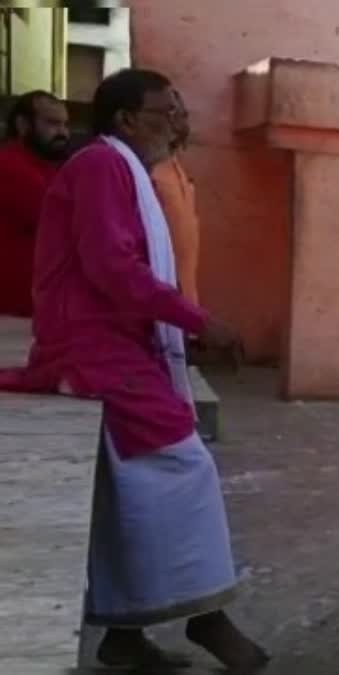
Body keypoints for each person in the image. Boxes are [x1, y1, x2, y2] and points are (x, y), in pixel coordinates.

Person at [0, 69, 268, 671]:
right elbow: (110, 267)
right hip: (91, 348)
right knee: (182, 464)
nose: (177, 122)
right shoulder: (102, 167)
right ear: (125, 119)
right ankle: (208, 618)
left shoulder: (124, 168)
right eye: (165, 112)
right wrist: (198, 321)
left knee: (127, 491)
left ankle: (124, 638)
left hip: (119, 342)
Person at [0, 90, 70, 317]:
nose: (62, 132)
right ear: (23, 125)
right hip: (14, 312)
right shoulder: (11, 167)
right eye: (52, 123)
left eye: (64, 124)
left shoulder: (46, 169)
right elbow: (67, 224)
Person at [151, 88, 201, 305]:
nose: (180, 124)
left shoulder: (175, 167)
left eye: (182, 116)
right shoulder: (146, 170)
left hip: (184, 296)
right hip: (157, 297)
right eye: (172, 115)